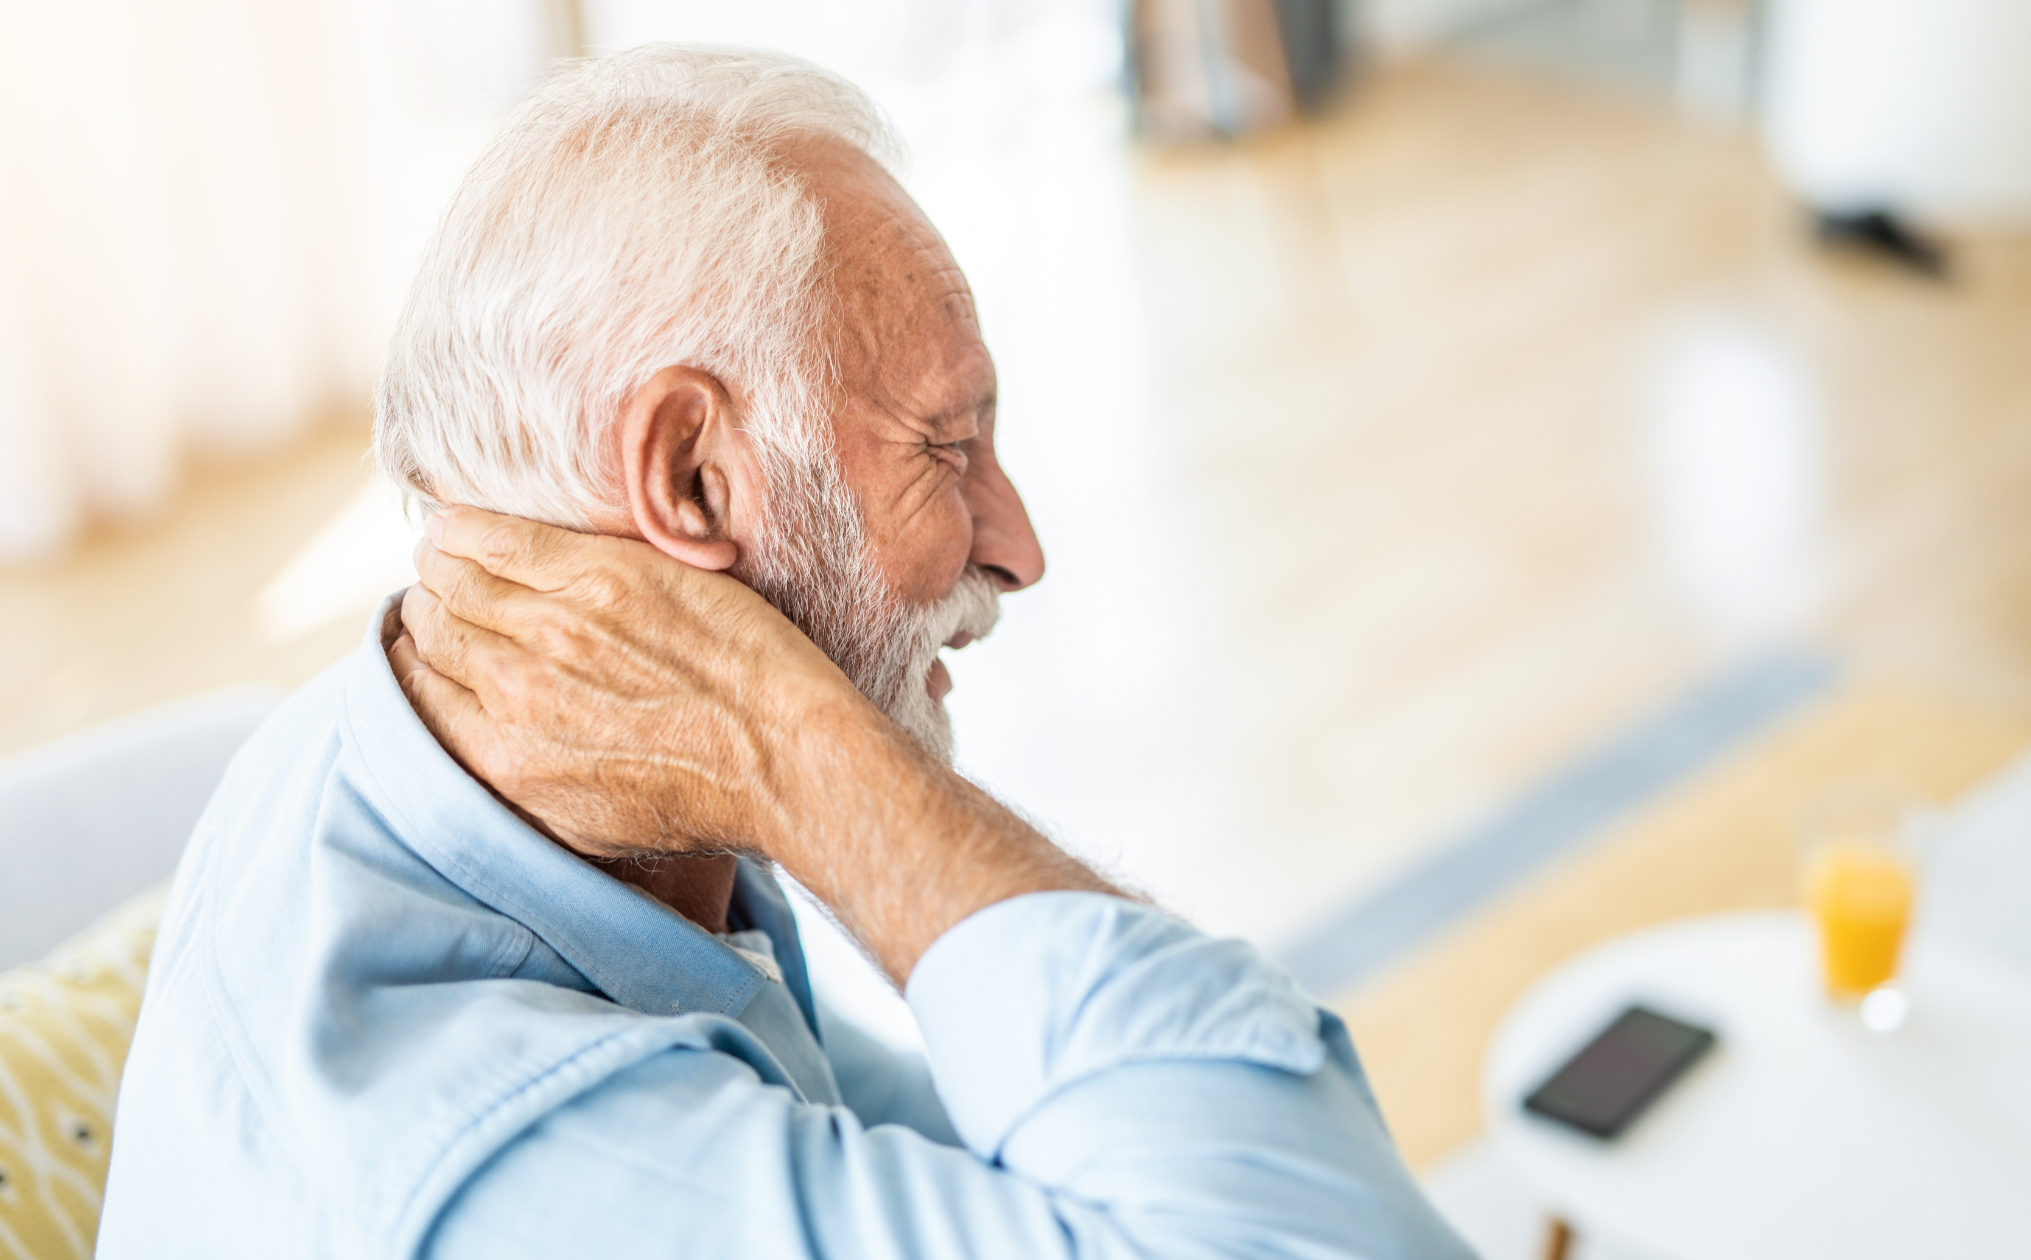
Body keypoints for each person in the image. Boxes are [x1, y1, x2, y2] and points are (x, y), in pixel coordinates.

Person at [99, 46, 1469, 1258]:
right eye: (944, 447)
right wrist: (801, 750)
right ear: (690, 479)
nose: (1019, 545)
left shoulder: (382, 742)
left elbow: (896, 1130)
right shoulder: (508, 1172)